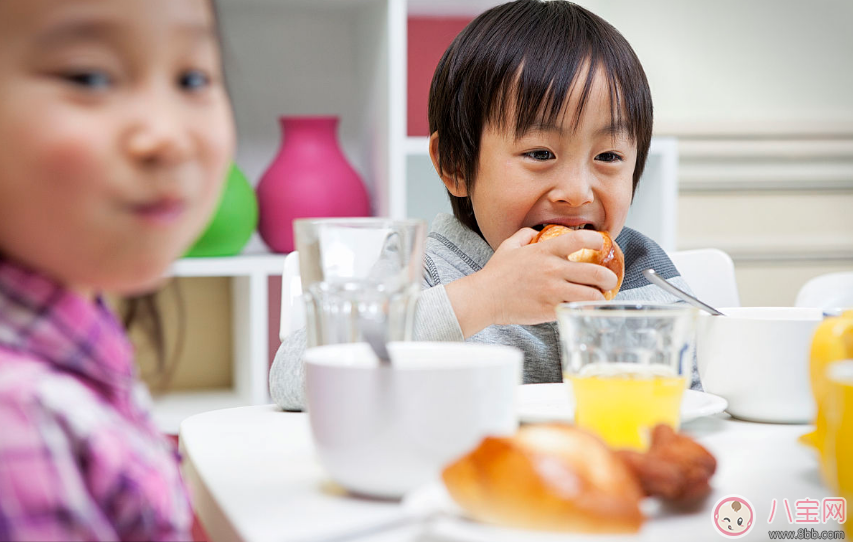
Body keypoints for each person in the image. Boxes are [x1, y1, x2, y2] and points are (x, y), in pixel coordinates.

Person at [270, 0, 696, 411]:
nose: (577, 192)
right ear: (456, 164)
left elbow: (695, 396)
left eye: (608, 157)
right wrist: (486, 298)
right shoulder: (426, 268)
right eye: (540, 154)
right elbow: (295, 377)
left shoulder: (644, 271)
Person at [0, 0, 235, 540]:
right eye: (90, 76)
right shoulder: (20, 419)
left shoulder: (77, 337)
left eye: (192, 77)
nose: (168, 136)